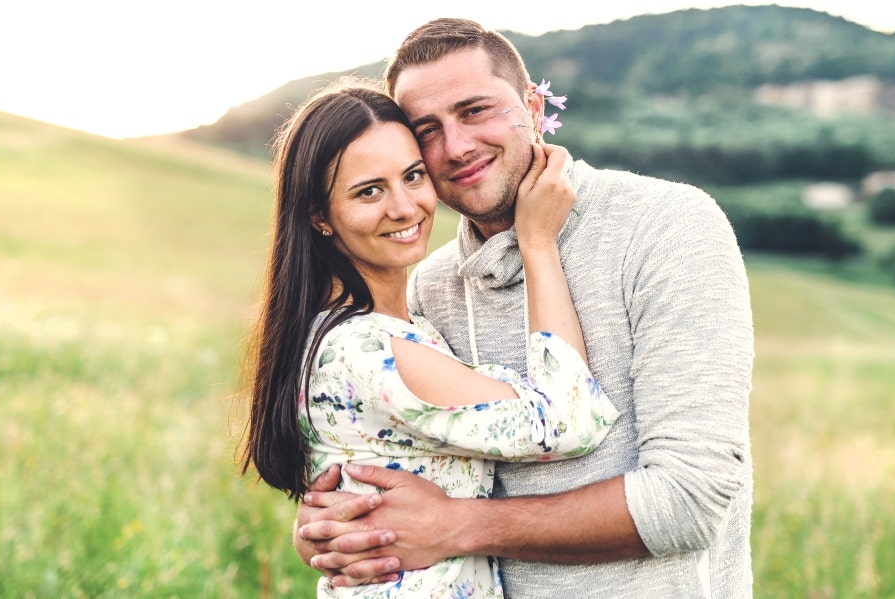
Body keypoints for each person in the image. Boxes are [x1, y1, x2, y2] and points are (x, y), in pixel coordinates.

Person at [293, 18, 755, 598]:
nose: (456, 147)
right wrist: (335, 526)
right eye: (427, 130)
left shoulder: (666, 227)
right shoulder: (427, 287)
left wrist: (454, 528)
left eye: (476, 110)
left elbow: (688, 501)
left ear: (533, 106)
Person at [240, 76, 622, 597]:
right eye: (368, 191)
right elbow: (567, 421)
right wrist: (537, 243)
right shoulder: (370, 351)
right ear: (317, 215)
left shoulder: (366, 330)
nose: (404, 208)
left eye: (413, 176)